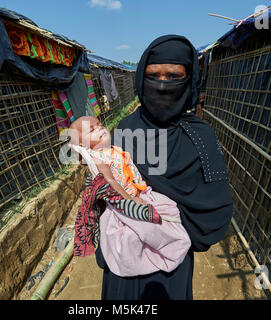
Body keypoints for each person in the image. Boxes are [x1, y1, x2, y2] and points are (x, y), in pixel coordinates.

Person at [97, 34, 234, 300]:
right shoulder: (126, 130)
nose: (162, 85)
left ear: (190, 79)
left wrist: (162, 226)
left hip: (172, 262)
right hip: (123, 258)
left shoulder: (201, 137)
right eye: (153, 75)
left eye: (173, 76)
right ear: (141, 78)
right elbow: (107, 191)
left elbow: (214, 212)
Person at [68, 116, 191, 278]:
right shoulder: (98, 160)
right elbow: (110, 182)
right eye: (92, 130)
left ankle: (168, 244)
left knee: (169, 208)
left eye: (100, 124)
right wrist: (130, 200)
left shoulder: (112, 150)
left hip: (138, 193)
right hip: (122, 203)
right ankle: (159, 253)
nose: (100, 128)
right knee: (140, 231)